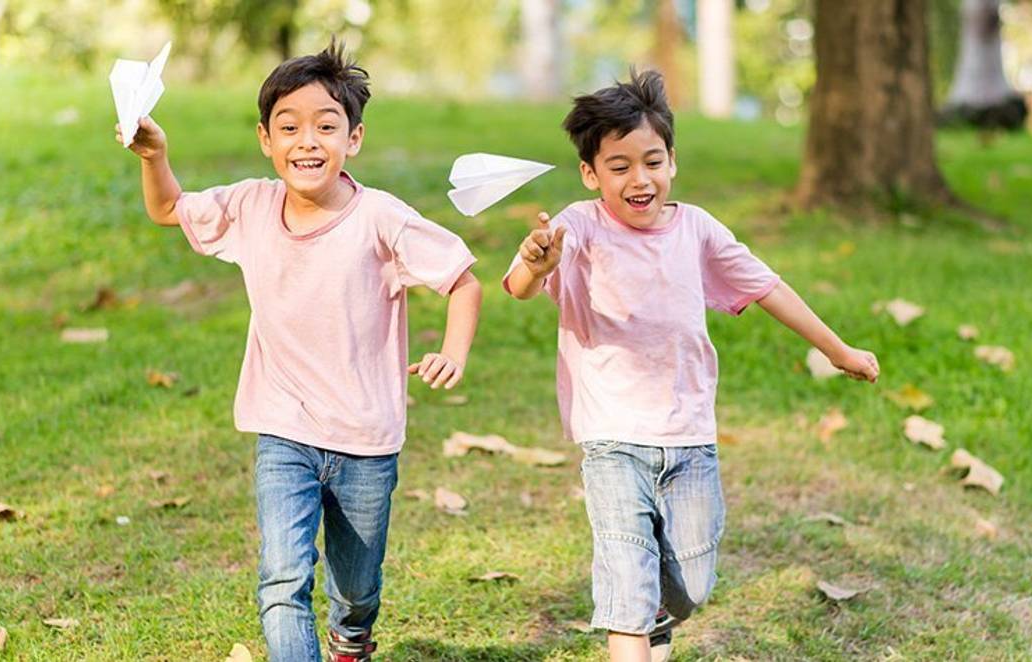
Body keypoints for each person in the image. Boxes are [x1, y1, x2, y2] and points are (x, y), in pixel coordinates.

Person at [116, 40, 481, 662]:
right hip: (282, 427)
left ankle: (352, 634)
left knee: (357, 585)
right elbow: (168, 208)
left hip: (366, 437)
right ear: (265, 139)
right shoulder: (252, 206)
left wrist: (453, 350)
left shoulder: (381, 219)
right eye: (289, 127)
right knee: (283, 579)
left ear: (354, 139)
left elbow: (462, 278)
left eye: (325, 126)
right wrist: (156, 156)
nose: (306, 141)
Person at [503, 69, 879, 662]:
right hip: (611, 436)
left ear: (672, 161)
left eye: (651, 161)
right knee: (627, 572)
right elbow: (522, 286)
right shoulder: (577, 226)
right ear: (590, 173)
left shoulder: (697, 230)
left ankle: (656, 613)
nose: (639, 179)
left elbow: (769, 288)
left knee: (693, 584)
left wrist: (838, 351)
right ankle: (634, 617)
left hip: (689, 435)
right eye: (619, 166)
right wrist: (536, 261)